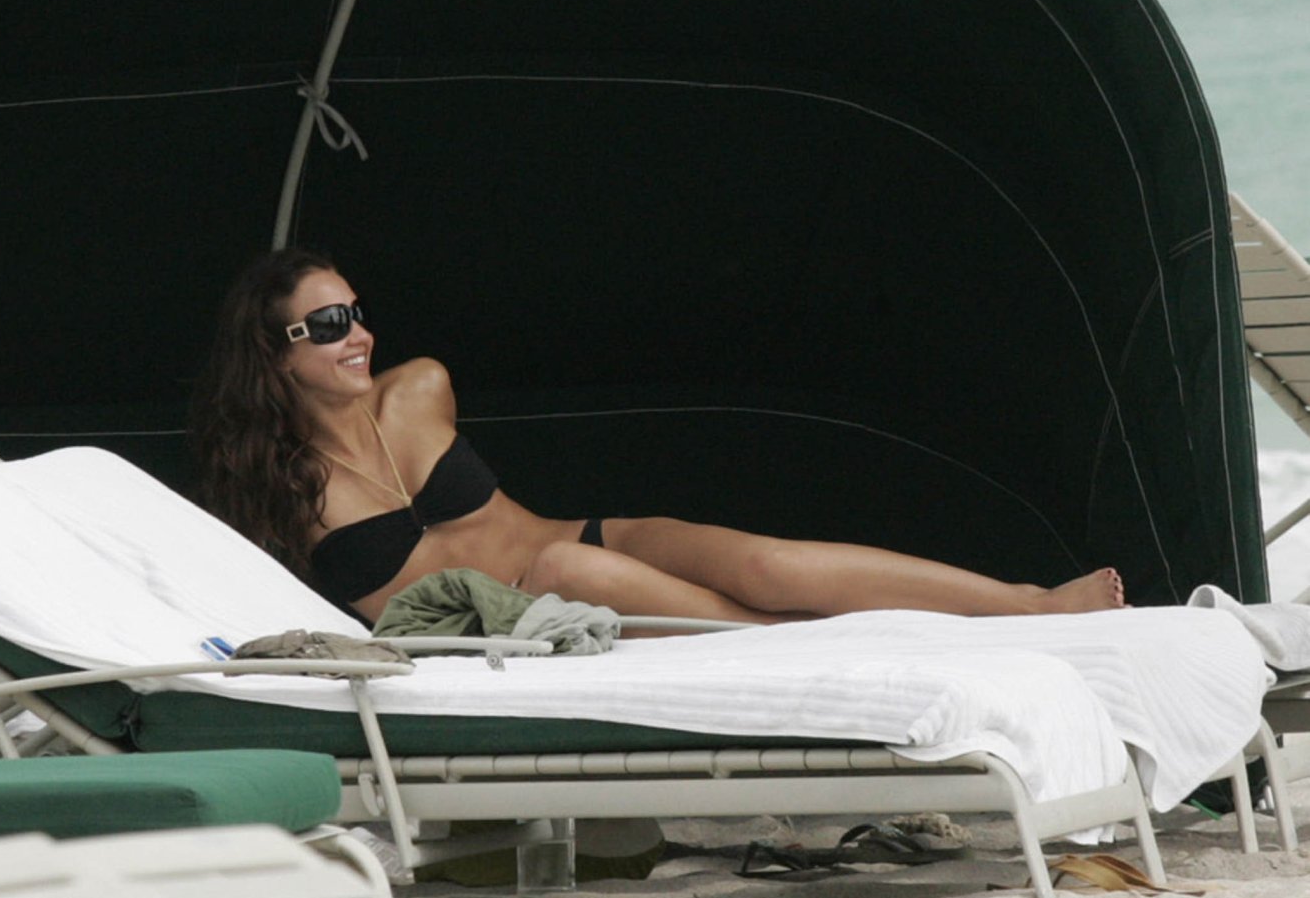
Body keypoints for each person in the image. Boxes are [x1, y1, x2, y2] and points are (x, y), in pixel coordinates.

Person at [191, 248, 1127, 627]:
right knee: (564, 571)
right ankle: (790, 643)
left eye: (356, 312)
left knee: (766, 563)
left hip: (587, 541)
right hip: (520, 612)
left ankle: (1026, 604)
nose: (357, 334)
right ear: (273, 353)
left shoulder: (419, 389)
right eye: (327, 325)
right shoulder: (278, 487)